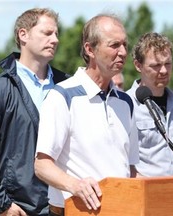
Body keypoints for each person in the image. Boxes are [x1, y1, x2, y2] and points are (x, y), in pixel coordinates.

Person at [34, 14, 139, 215]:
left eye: (125, 44)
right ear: (90, 49)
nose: (123, 52)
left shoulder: (126, 102)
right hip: (74, 211)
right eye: (114, 45)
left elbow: (131, 170)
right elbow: (42, 165)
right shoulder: (62, 96)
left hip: (121, 210)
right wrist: (75, 185)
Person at [0, 8, 69, 216]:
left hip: (63, 206)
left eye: (57, 34)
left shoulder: (68, 88)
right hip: (17, 209)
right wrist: (1, 205)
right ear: (23, 35)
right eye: (47, 33)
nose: (55, 40)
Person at [126, 32, 173, 177]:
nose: (164, 71)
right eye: (156, 65)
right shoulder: (126, 105)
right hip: (145, 195)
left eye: (168, 64)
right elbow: (124, 163)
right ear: (138, 65)